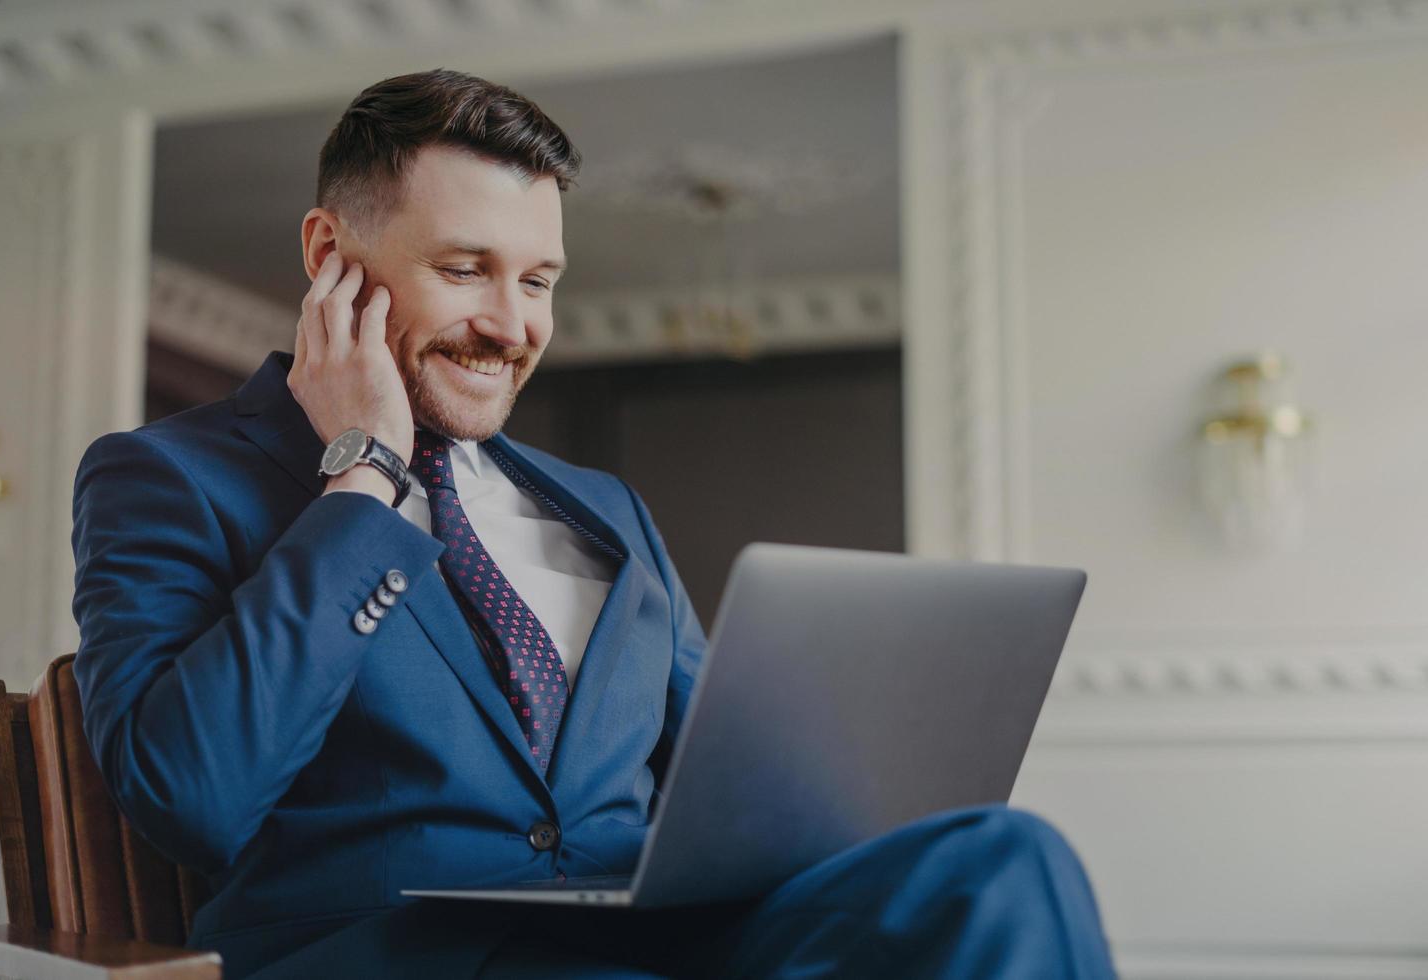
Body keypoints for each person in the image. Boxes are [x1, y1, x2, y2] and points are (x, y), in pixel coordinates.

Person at [70, 68, 1117, 978]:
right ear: (329, 254)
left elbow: (732, 774)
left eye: (538, 281)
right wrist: (365, 474)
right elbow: (190, 793)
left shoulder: (607, 511)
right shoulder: (165, 476)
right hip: (392, 950)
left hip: (649, 927)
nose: (513, 326)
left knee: (1005, 862)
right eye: (465, 269)